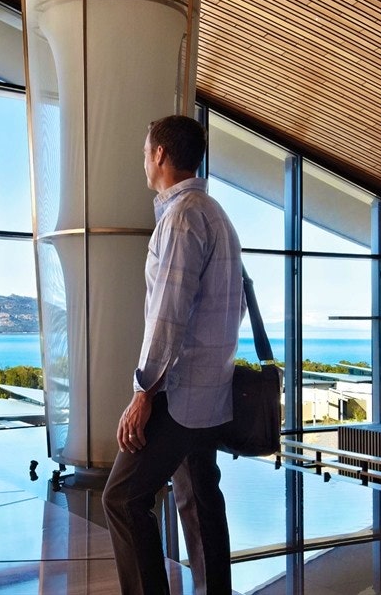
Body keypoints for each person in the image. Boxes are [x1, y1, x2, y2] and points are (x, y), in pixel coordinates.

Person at [103, 114, 243, 594]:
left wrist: (143, 392)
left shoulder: (182, 218)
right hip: (211, 392)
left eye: (146, 152)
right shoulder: (216, 214)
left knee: (122, 500)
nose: (144, 160)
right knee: (200, 501)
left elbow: (168, 315)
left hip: (179, 394)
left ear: (160, 155)